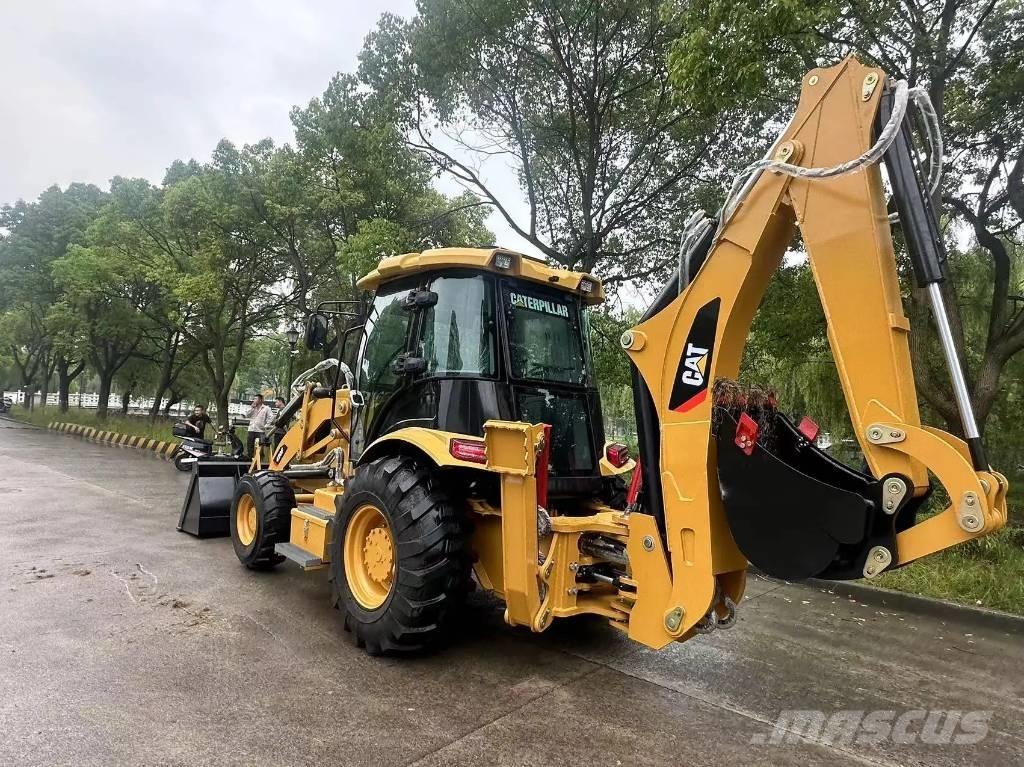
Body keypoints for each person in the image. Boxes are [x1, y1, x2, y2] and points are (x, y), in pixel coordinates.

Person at [246, 394, 273, 459]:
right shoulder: (252, 407)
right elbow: (247, 415)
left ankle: (260, 458)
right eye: (254, 399)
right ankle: (250, 458)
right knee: (249, 444)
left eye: (256, 399)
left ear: (260, 400)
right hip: (251, 429)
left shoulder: (266, 408)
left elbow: (271, 417)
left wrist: (266, 425)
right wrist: (252, 408)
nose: (254, 400)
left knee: (260, 445)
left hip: (260, 430)